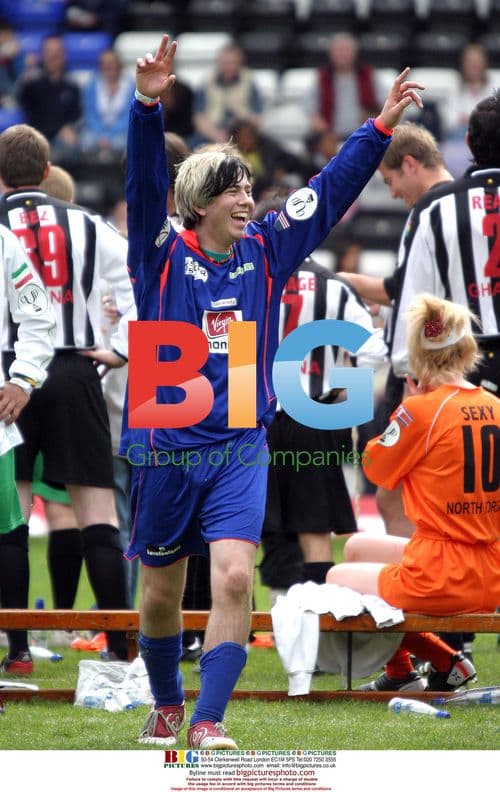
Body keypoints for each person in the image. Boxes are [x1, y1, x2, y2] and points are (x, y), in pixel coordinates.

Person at [122, 33, 423, 748]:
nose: (248, 200)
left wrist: (377, 129)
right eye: (234, 190)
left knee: (233, 578)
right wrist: (145, 106)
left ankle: (207, 722)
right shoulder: (158, 255)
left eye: (251, 189)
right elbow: (139, 184)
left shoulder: (264, 249)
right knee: (162, 591)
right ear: (199, 201)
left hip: (239, 446)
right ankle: (166, 701)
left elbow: (326, 194)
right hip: (167, 446)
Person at [0, 124, 135, 669]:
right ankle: (121, 651)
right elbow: (136, 287)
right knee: (97, 513)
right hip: (77, 370)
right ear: (48, 168)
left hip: (12, 376)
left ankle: (18, 655)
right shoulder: (87, 223)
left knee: (13, 515)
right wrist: (120, 349)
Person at [327, 293, 499, 692]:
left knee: (337, 577)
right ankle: (427, 667)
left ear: (417, 354)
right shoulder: (494, 404)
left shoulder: (421, 409)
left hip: (443, 570)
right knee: (355, 550)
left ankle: (427, 665)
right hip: (487, 564)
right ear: (467, 350)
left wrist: (407, 406)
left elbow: (375, 467)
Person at [256, 195, 387, 596]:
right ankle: (315, 629)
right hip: (317, 414)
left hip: (260, 414)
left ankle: (276, 623)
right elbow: (372, 351)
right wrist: (341, 397)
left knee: (262, 520)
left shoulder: (250, 280)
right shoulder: (335, 285)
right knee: (315, 528)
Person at [340, 122, 454, 537]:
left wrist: (413, 372)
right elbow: (405, 290)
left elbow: (428, 301)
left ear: (409, 163)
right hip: (433, 374)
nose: (390, 193)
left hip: (423, 378)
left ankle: (418, 591)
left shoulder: (431, 212)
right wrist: (347, 282)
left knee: (396, 493)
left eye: (390, 180)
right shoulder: (451, 210)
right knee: (396, 492)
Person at [0, 225, 55, 674]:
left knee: (4, 531)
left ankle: (17, 648)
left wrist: (23, 378)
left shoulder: (2, 240)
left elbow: (38, 313)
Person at [307, 33, 381, 142]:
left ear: (354, 53)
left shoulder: (368, 75)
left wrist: (372, 120)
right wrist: (324, 131)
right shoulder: (322, 78)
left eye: (346, 50)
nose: (342, 54)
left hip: (365, 135)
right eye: (338, 51)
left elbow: (383, 104)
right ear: (331, 54)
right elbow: (311, 111)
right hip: (331, 136)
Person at [17, 36, 81, 161]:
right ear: (42, 54)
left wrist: (70, 128)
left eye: (57, 52)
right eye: (49, 52)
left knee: (72, 145)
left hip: (63, 139)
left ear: (63, 55)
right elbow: (20, 103)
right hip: (36, 136)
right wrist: (24, 75)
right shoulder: (31, 82)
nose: (53, 56)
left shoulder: (72, 84)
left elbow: (76, 115)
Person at [192, 41, 264, 146]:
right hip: (210, 136)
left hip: (241, 135)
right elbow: (199, 119)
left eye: (232, 63)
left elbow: (256, 117)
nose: (228, 67)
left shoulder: (249, 80)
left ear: (240, 63)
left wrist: (240, 127)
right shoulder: (207, 81)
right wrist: (219, 136)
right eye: (224, 63)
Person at [81, 48, 135, 157]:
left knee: (122, 143)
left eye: (111, 63)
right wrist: (101, 135)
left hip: (122, 132)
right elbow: (90, 115)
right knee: (86, 142)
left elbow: (129, 116)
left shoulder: (130, 85)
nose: (108, 66)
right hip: (96, 131)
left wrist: (110, 136)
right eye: (104, 63)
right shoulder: (92, 84)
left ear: (119, 65)